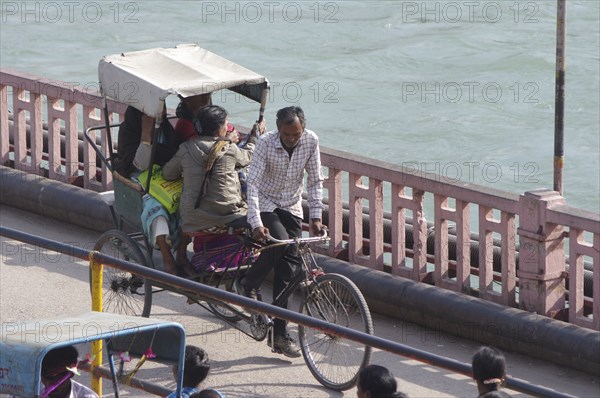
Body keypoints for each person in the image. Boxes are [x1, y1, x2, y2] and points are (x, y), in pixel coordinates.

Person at [239, 106, 326, 358]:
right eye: (287, 135)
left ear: (303, 129)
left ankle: (279, 335)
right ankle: (248, 283)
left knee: (289, 271)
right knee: (282, 244)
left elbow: (315, 180)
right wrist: (255, 222)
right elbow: (252, 183)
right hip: (266, 202)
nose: (291, 139)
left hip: (292, 204)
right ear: (278, 130)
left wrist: (317, 216)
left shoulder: (311, 140)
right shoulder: (266, 143)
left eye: (295, 135)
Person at [115, 105, 194, 277]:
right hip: (140, 176)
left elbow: (174, 155)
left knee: (190, 201)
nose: (162, 112)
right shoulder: (129, 130)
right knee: (157, 208)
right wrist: (146, 135)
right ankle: (167, 258)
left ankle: (181, 255)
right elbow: (141, 165)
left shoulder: (165, 128)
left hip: (166, 174)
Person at [163, 105, 264, 234]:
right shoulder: (229, 148)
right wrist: (254, 137)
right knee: (260, 215)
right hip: (228, 215)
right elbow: (247, 157)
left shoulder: (185, 148)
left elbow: (168, 174)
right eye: (226, 125)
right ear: (219, 131)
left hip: (192, 219)